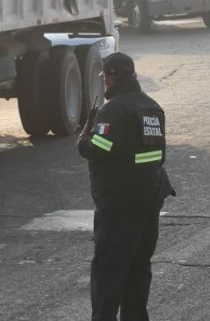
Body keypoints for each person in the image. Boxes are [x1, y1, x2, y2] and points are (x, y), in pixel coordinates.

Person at [77, 52, 175, 321]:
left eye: (106, 77)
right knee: (138, 270)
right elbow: (158, 156)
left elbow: (102, 147)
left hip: (119, 207)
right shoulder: (152, 108)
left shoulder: (113, 109)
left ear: (112, 78)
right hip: (149, 201)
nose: (105, 83)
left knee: (108, 274)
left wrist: (83, 141)